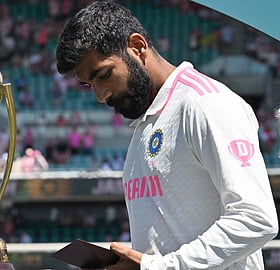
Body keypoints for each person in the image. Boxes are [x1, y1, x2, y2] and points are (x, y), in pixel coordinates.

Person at [55, 1, 278, 269]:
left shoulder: (205, 103)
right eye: (90, 84)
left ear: (137, 47)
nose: (101, 95)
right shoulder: (146, 122)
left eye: (103, 75)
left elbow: (256, 219)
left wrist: (162, 266)